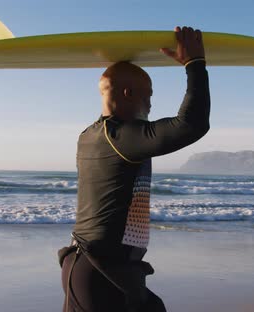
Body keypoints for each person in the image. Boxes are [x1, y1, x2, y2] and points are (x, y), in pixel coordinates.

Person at [58, 26, 210, 312]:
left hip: (93, 268)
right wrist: (194, 64)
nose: (151, 103)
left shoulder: (89, 135)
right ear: (128, 93)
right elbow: (192, 124)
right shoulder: (122, 137)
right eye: (148, 95)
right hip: (102, 272)